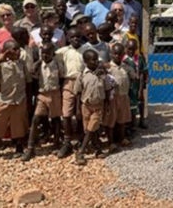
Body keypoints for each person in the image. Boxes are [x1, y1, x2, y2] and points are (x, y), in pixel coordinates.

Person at [0, 40, 31, 159]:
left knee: (18, 122)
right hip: (5, 98)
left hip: (19, 99)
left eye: (18, 49)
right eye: (14, 49)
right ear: (6, 52)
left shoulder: (22, 64)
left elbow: (28, 81)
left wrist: (29, 99)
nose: (18, 52)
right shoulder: (1, 64)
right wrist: (0, 59)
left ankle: (19, 146)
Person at [22, 43, 64, 161]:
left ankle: (56, 143)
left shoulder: (57, 65)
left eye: (48, 53)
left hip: (54, 93)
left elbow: (61, 78)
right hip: (42, 94)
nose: (45, 55)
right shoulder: (38, 65)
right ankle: (30, 147)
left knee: (56, 119)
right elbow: (34, 79)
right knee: (36, 119)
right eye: (43, 53)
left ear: (53, 54)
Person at [55, 28, 91, 158]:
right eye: (72, 37)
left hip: (83, 82)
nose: (75, 39)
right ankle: (67, 141)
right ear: (68, 39)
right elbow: (50, 55)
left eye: (78, 37)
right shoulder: (63, 51)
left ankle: (82, 138)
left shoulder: (86, 49)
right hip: (68, 82)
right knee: (67, 113)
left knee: (81, 111)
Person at [74, 50, 109, 165]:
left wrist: (107, 105)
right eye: (92, 60)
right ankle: (97, 149)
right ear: (85, 62)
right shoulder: (82, 75)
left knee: (91, 128)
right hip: (86, 106)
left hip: (98, 106)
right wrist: (78, 108)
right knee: (89, 129)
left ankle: (81, 152)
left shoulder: (102, 74)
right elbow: (78, 92)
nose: (95, 62)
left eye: (96, 59)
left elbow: (107, 90)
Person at [109, 43, 134, 147]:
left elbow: (133, 76)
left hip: (124, 96)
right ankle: (111, 141)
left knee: (122, 119)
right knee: (111, 120)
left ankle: (122, 138)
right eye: (115, 54)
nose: (117, 56)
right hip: (113, 97)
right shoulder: (108, 67)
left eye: (120, 54)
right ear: (111, 54)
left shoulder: (126, 67)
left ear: (123, 54)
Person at [123, 39, 148, 130]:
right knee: (129, 105)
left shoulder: (139, 58)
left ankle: (141, 121)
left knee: (140, 100)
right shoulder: (123, 59)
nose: (131, 51)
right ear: (126, 48)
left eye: (133, 49)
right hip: (126, 86)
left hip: (137, 85)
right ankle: (129, 124)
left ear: (136, 49)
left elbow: (143, 73)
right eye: (129, 49)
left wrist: (141, 89)